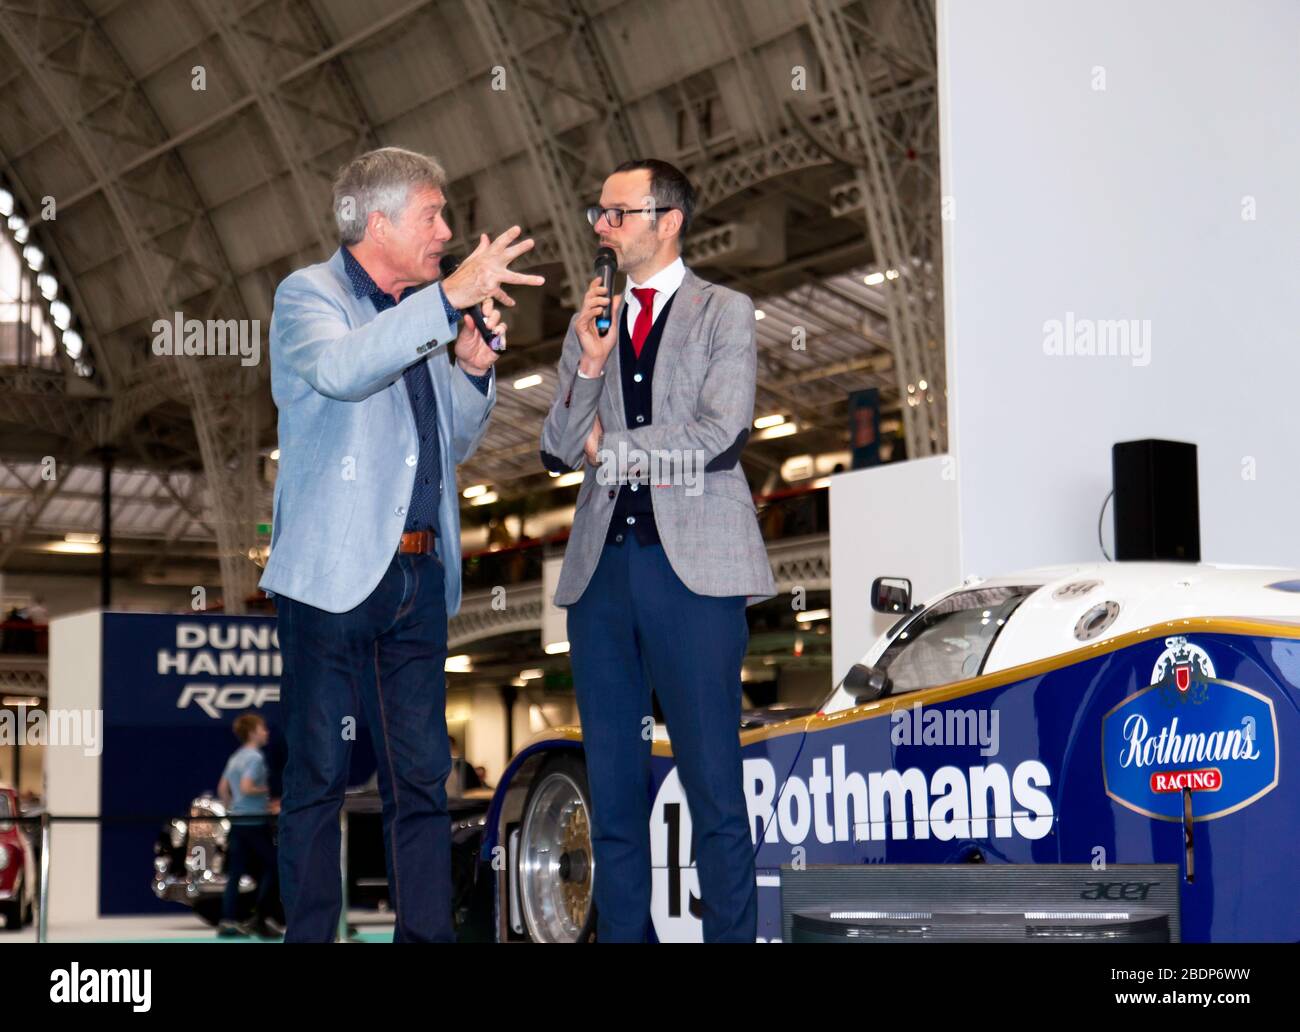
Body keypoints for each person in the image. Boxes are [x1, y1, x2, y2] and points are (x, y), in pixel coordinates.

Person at [258, 146, 544, 942]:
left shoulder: (422, 311)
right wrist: (447, 302)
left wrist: (474, 367)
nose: (447, 232)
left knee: (421, 781)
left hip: (419, 575)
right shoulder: (306, 298)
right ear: (376, 223)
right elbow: (347, 371)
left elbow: (446, 441)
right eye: (432, 215)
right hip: (330, 583)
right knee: (315, 778)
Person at [539, 158, 776, 942]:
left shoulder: (724, 311)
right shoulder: (594, 322)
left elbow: (720, 434)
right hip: (601, 574)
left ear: (667, 219)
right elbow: (554, 444)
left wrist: (615, 449)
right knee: (613, 794)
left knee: (714, 787)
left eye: (614, 213)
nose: (600, 228)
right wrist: (591, 362)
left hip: (695, 573)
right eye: (597, 215)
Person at [216, 715, 280, 938]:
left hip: (238, 821)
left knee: (235, 873)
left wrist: (233, 808)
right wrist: (269, 793)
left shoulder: (236, 757)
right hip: (254, 822)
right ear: (253, 732)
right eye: (263, 728)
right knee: (274, 865)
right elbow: (246, 786)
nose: (267, 732)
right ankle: (259, 917)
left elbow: (223, 788)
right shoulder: (255, 758)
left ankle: (227, 920)